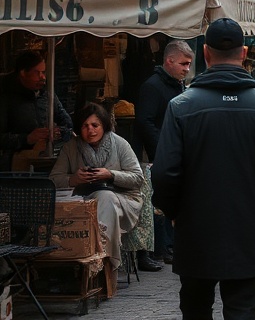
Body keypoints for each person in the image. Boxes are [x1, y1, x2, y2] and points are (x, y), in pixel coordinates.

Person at [152, 17, 255, 320]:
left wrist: (175, 213)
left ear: (205, 53)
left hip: (195, 227)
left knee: (195, 308)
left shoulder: (181, 106)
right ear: (244, 54)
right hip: (249, 226)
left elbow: (164, 173)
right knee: (242, 308)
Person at [50, 102, 143, 270]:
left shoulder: (120, 144)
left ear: (104, 126)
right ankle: (68, 259)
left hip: (122, 198)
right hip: (81, 199)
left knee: (104, 198)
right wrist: (74, 179)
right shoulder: (71, 147)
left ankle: (101, 258)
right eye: (85, 126)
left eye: (95, 125)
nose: (90, 130)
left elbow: (137, 178)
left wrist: (111, 174)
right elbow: (54, 180)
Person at [136, 39, 193, 270]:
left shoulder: (176, 84)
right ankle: (164, 247)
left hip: (178, 152)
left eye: (189, 64)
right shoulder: (153, 86)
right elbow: (145, 121)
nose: (187, 69)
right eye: (184, 64)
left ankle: (172, 246)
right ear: (169, 61)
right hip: (162, 154)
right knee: (162, 202)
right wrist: (163, 149)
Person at [0, 49, 73, 172]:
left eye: (44, 72)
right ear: (23, 73)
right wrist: (27, 139)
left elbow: (68, 123)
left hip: (46, 162)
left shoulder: (47, 94)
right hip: (14, 169)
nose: (42, 77)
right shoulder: (5, 95)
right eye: (37, 73)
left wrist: (58, 132)